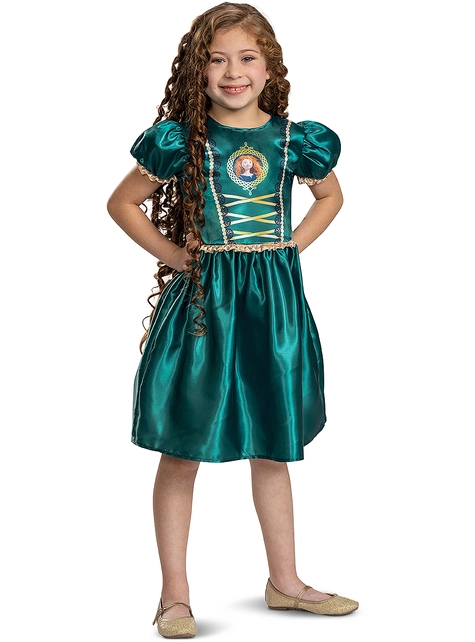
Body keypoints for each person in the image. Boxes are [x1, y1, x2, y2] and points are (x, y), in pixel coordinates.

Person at [107, 2, 358, 638]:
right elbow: (123, 202)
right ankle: (174, 596)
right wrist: (175, 256)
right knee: (181, 448)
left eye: (247, 57)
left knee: (272, 446)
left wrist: (290, 247)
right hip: (204, 307)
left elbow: (330, 195)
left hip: (271, 308)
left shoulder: (294, 139)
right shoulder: (183, 141)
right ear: (199, 70)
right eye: (216, 60)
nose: (233, 71)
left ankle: (285, 582)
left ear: (270, 66)